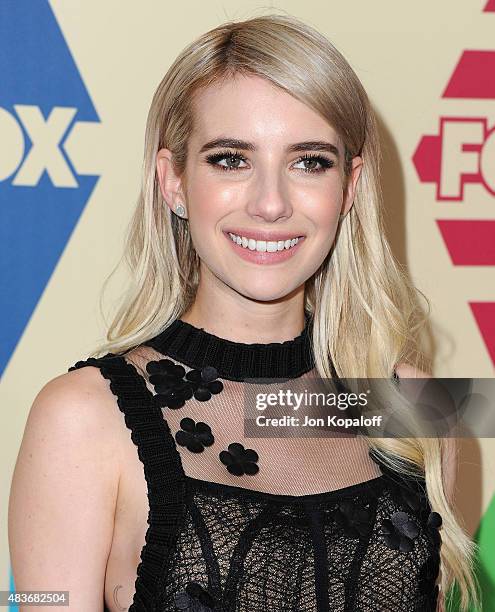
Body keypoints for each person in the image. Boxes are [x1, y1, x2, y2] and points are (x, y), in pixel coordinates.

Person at [9, 13, 478, 612]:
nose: (271, 203)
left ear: (351, 187)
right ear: (173, 181)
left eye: (309, 161)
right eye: (231, 159)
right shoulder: (80, 419)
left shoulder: (413, 405)